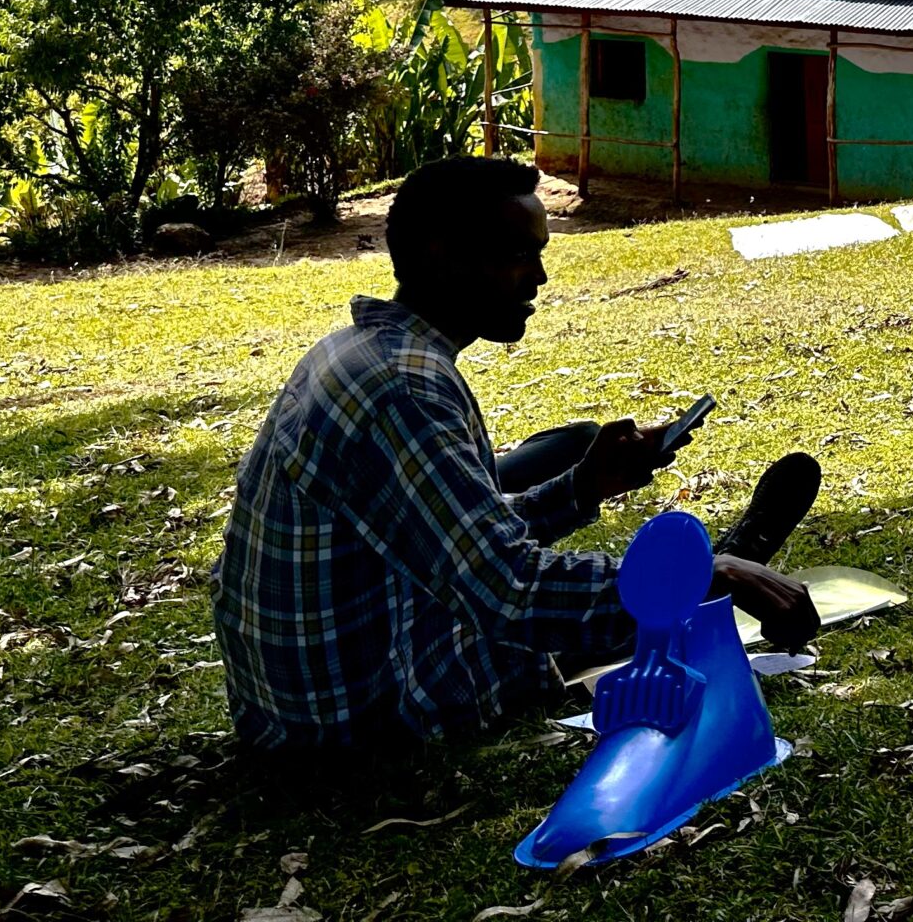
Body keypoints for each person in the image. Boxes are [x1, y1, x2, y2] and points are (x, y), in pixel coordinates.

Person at [213, 155, 823, 749]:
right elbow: (510, 591)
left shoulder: (358, 350)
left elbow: (462, 536)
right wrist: (704, 573)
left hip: (296, 703)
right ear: (441, 256)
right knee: (587, 621)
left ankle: (717, 577)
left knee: (586, 586)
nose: (540, 278)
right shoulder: (405, 389)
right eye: (519, 255)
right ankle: (721, 577)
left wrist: (584, 486)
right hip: (361, 722)